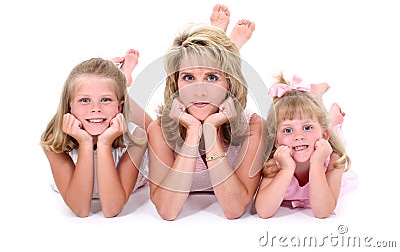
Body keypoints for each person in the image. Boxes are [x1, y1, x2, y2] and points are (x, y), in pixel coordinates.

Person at [147, 24, 266, 220]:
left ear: (230, 83)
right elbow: (167, 211)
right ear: (175, 83)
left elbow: (234, 209)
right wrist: (193, 132)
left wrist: (210, 131)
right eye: (188, 77)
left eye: (211, 77)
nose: (199, 91)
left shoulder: (253, 125)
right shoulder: (159, 129)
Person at [40, 57, 148, 218]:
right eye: (84, 100)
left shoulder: (136, 137)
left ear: (119, 106)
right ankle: (120, 82)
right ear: (69, 104)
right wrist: (85, 143)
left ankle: (122, 84)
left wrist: (105, 143)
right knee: (105, 90)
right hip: (93, 127)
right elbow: (80, 209)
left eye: (105, 99)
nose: (95, 108)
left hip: (126, 133)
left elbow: (112, 209)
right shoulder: (53, 140)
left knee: (155, 131)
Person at [254, 74, 355, 219]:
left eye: (307, 127)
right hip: (311, 139)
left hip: (324, 140)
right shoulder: (275, 163)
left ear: (325, 136)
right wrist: (286, 169)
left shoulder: (334, 159)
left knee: (331, 132)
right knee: (313, 125)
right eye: (288, 130)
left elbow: (322, 212)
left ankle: (328, 114)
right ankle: (316, 99)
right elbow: (264, 212)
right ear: (276, 141)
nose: (298, 136)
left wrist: (317, 163)